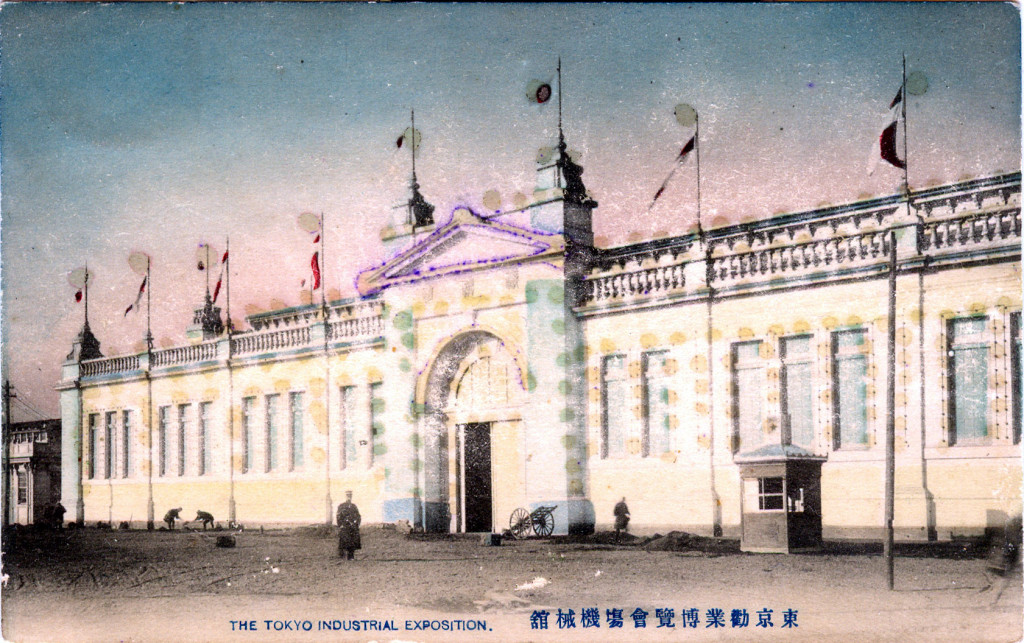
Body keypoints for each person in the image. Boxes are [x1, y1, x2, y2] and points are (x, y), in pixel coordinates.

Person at [336, 491, 361, 560]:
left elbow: (358, 516)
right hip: (345, 526)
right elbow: (338, 516)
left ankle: (351, 556)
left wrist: (356, 523)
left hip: (352, 527)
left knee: (352, 541)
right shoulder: (342, 506)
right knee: (344, 541)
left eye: (350, 496)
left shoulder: (354, 506)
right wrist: (340, 525)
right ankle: (342, 555)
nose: (349, 497)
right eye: (347, 496)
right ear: (345, 496)